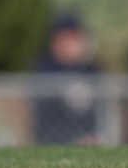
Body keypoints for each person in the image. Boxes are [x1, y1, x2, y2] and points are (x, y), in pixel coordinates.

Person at [32, 12, 100, 144]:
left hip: (88, 138)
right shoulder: (45, 70)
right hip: (52, 140)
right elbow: (46, 116)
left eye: (72, 38)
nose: (67, 43)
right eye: (63, 38)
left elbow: (98, 113)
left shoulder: (91, 69)